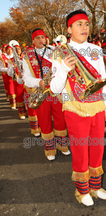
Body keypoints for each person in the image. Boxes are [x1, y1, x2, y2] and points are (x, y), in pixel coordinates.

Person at [50, 10, 106, 206]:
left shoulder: (95, 49)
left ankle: (95, 186)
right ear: (69, 29)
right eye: (79, 24)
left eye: (86, 24)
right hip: (75, 109)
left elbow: (103, 80)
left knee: (97, 148)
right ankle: (82, 190)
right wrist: (64, 69)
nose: (84, 27)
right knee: (80, 150)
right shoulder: (59, 52)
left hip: (97, 107)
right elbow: (54, 88)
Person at [23, 29, 70, 160]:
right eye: (37, 38)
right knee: (44, 121)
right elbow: (26, 78)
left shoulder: (54, 51)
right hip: (41, 92)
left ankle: (62, 145)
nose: (41, 40)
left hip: (56, 91)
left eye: (42, 37)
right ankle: (50, 149)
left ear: (46, 39)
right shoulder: (27, 56)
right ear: (33, 41)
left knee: (61, 118)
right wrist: (39, 82)